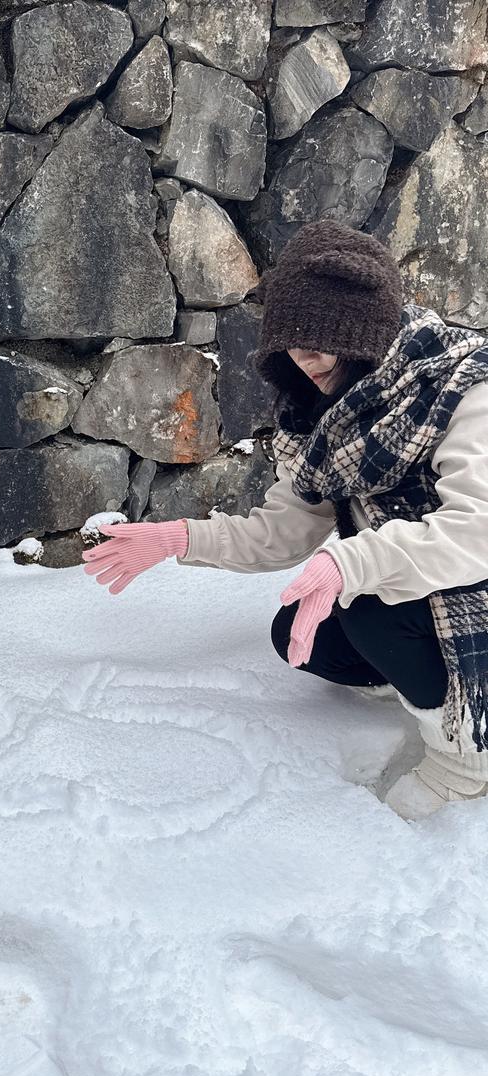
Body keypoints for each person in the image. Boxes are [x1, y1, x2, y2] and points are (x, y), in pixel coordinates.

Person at [82, 218, 488, 820]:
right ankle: (423, 681)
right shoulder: (328, 415)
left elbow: (476, 531)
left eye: (321, 340)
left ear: (364, 333)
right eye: (292, 346)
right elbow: (285, 531)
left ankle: (466, 758)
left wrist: (350, 562)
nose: (305, 359)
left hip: (471, 583)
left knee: (372, 607)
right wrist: (180, 537)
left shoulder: (463, 385)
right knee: (298, 633)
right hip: (409, 580)